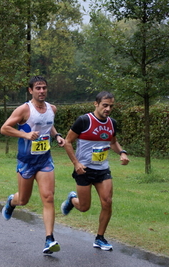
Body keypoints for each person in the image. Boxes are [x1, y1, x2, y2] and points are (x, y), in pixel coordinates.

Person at [0, 75, 65, 254]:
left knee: (48, 197)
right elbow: (4, 128)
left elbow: (48, 125)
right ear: (30, 90)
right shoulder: (24, 110)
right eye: (38, 88)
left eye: (44, 87)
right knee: (23, 199)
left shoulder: (52, 109)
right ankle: (11, 202)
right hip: (26, 161)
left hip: (44, 160)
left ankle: (49, 239)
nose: (41, 91)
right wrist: (26, 135)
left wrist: (57, 135)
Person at [61, 91, 130, 251]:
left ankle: (100, 238)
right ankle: (72, 200)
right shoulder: (84, 121)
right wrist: (76, 163)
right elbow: (67, 142)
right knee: (84, 207)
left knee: (107, 202)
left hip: (102, 169)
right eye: (105, 105)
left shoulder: (112, 123)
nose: (108, 109)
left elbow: (113, 142)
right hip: (84, 170)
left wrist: (122, 152)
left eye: (111, 106)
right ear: (96, 104)